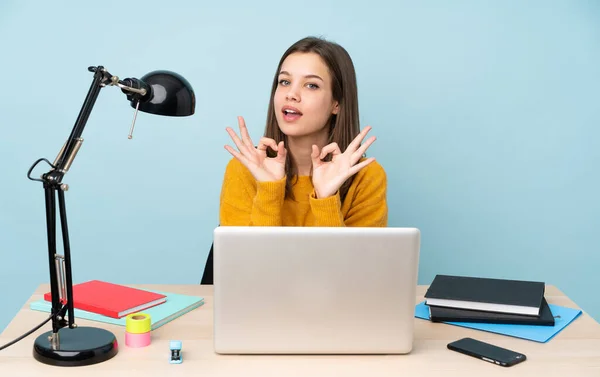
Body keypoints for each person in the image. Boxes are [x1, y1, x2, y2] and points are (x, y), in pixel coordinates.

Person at [219, 36, 387, 227]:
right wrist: (269, 190)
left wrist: (326, 199)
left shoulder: (365, 177)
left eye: (311, 85)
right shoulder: (244, 169)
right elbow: (245, 257)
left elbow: (350, 258)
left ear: (336, 103)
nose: (291, 94)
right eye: (284, 82)